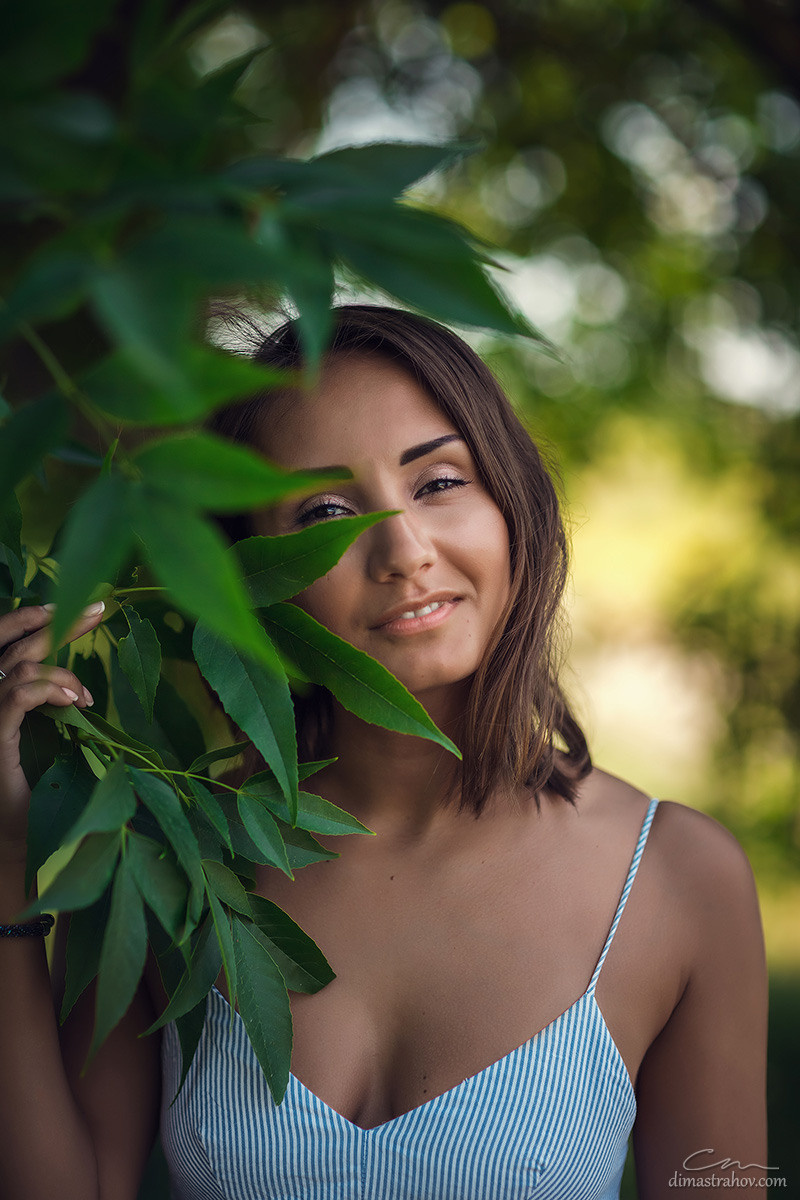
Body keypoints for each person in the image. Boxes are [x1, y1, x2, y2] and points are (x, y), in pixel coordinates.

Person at [0, 305, 768, 1200]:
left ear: (512, 500)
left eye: (438, 481)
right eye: (324, 511)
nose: (404, 551)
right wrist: (6, 860)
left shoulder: (678, 879)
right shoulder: (172, 850)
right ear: (248, 574)